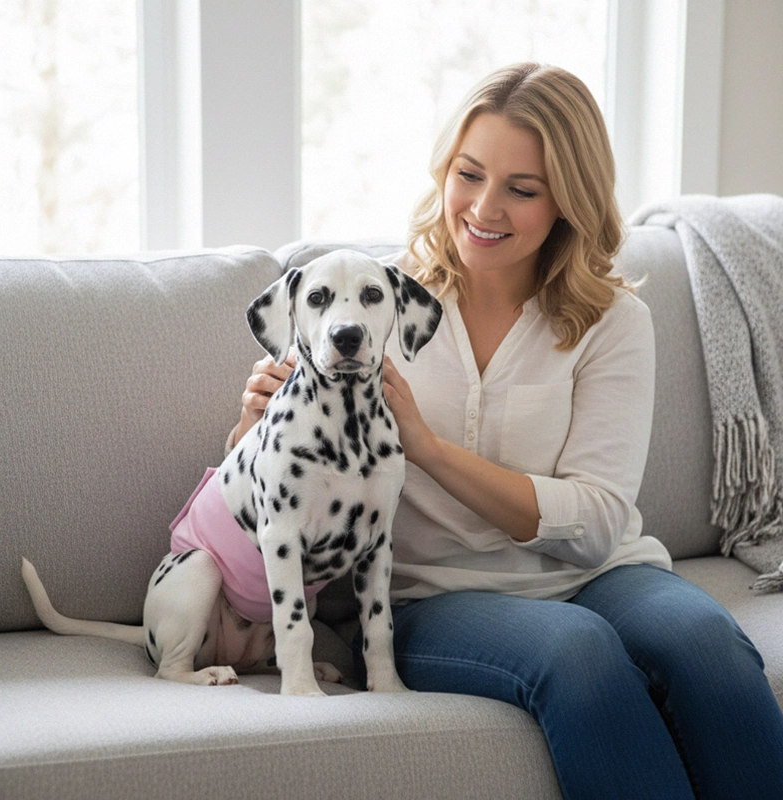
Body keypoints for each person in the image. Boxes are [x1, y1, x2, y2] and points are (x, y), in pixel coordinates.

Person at [230, 63, 783, 799]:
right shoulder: (368, 304)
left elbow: (596, 523)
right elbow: (266, 492)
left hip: (604, 574)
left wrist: (429, 450)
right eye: (469, 175)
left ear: (569, 201)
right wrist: (250, 421)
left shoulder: (614, 322)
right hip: (432, 596)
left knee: (707, 644)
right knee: (578, 652)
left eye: (522, 189)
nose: (484, 208)